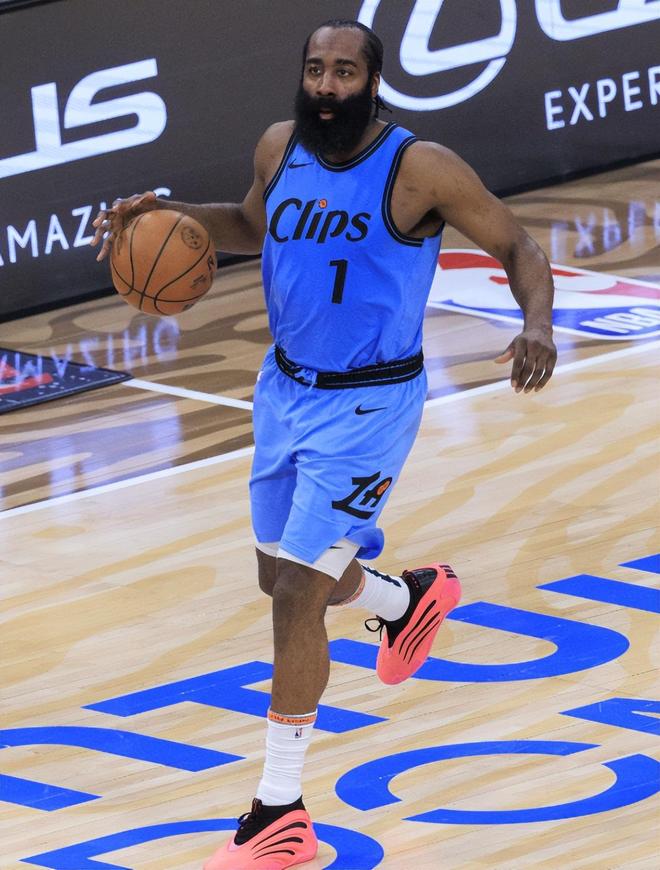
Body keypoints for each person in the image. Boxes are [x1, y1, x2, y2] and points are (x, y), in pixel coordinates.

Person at [92, 18, 556, 869]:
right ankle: (402, 602)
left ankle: (280, 812)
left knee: (296, 596)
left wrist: (538, 325)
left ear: (373, 83)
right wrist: (162, 220)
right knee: (278, 574)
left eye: (344, 72)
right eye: (315, 69)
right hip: (285, 391)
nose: (327, 86)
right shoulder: (281, 146)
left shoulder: (419, 168)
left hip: (371, 404)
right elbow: (247, 223)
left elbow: (516, 243)